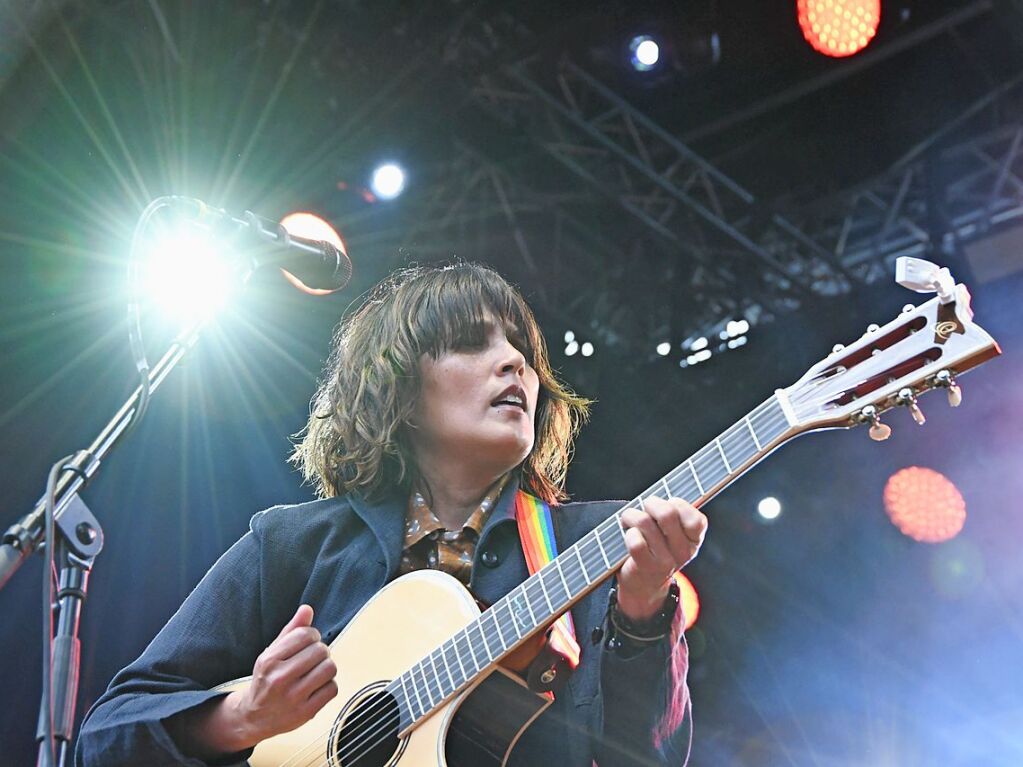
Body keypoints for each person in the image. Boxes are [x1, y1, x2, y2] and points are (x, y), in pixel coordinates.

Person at [75, 262, 708, 766]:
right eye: (469, 344)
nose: (516, 362)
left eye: (521, 349)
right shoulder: (292, 546)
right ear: (399, 392)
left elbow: (646, 757)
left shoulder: (596, 545)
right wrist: (244, 717)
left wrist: (644, 616)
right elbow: (105, 736)